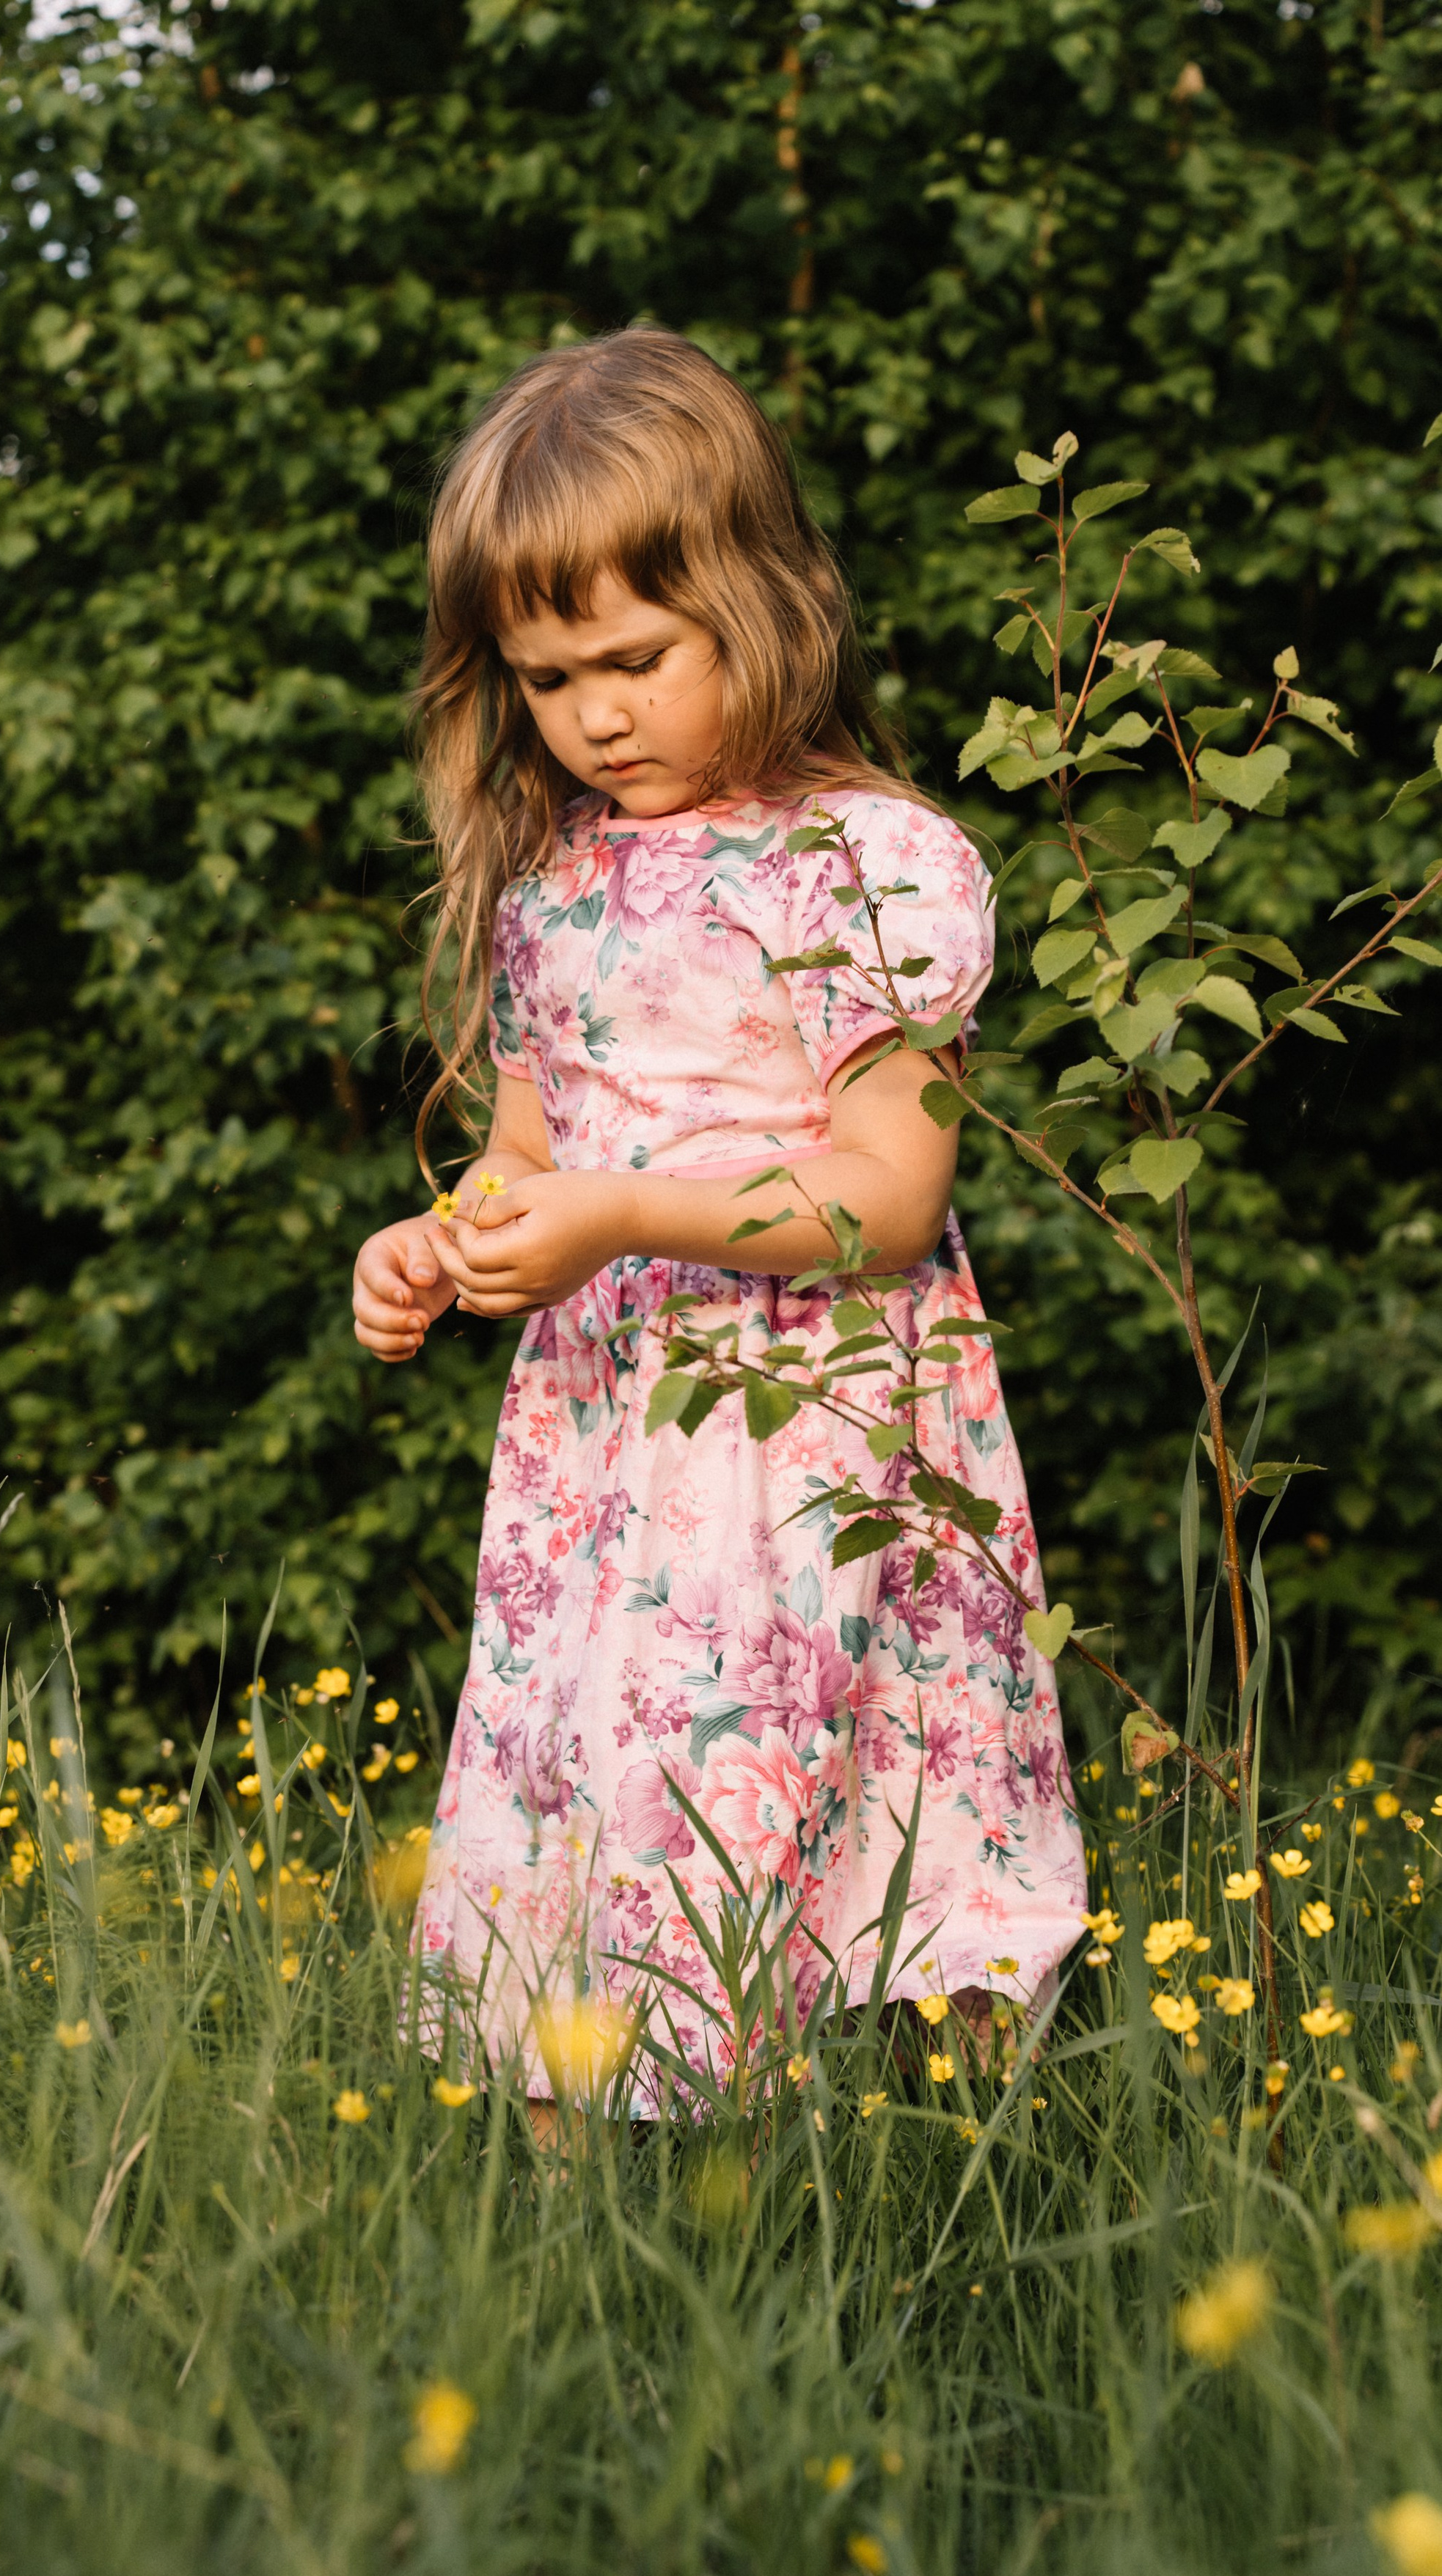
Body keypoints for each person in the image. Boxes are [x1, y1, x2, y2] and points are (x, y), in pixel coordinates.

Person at [351, 328, 1086, 2124]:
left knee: (850, 1768)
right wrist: (444, 1240)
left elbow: (888, 1192)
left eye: (634, 660)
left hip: (808, 1426)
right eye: (545, 678)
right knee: (587, 1766)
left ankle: (940, 2184)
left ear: (757, 608)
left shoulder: (870, 862)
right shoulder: (554, 888)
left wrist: (622, 1214)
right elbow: (528, 1153)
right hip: (607, 1450)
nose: (595, 715)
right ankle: (576, 2222)